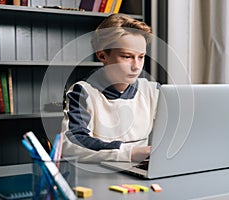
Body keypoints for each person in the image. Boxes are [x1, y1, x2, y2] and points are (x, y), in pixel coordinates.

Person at [61, 13, 160, 163]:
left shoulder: (152, 90)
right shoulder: (82, 92)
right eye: (127, 56)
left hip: (142, 172)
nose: (136, 66)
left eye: (141, 57)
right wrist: (130, 153)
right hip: (101, 174)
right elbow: (72, 144)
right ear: (102, 56)